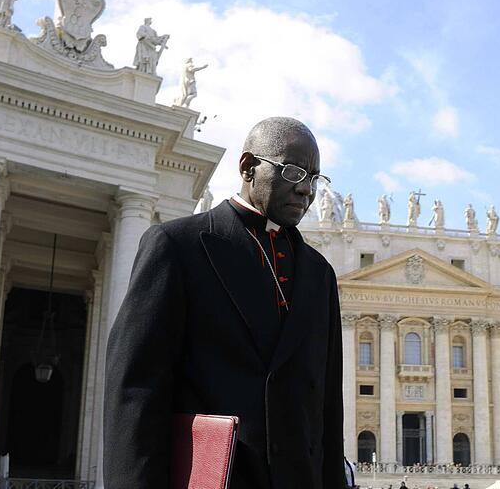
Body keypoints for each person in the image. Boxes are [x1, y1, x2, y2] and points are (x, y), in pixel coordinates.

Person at [104, 117, 346, 489]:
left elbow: (327, 409)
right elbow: (136, 390)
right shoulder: (178, 245)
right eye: (294, 173)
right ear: (248, 167)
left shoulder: (320, 274)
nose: (306, 191)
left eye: (314, 179)